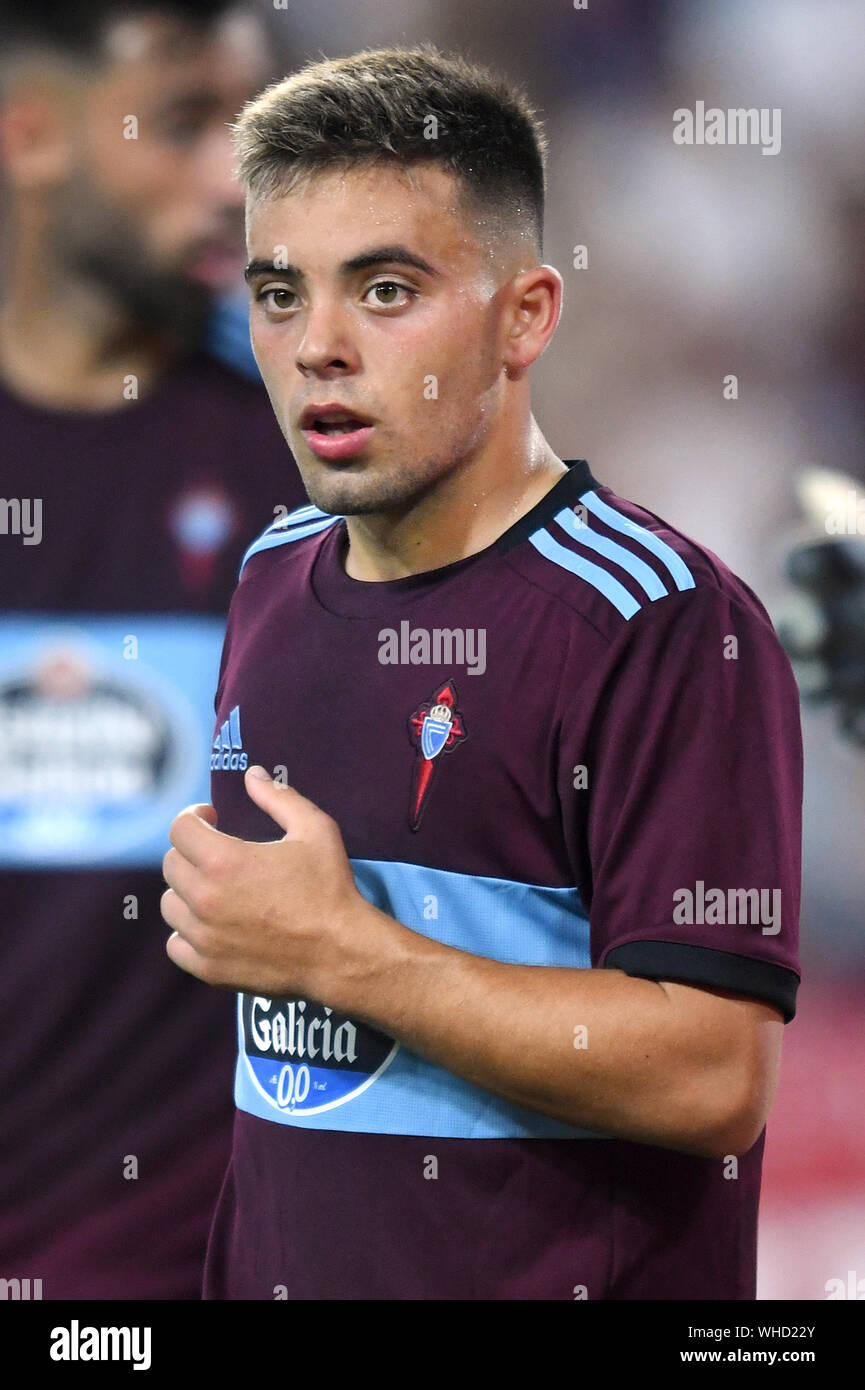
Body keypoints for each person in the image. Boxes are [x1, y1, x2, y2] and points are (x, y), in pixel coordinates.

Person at [161, 44, 803, 1300]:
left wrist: (347, 955)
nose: (318, 347)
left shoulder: (660, 624)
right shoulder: (270, 576)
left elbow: (713, 1073)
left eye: (386, 289)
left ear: (525, 316)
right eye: (279, 292)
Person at [0, 0, 304, 1299]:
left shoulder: (311, 445)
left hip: (195, 1245)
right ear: (30, 135)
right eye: (185, 123)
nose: (231, 181)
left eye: (254, 128)